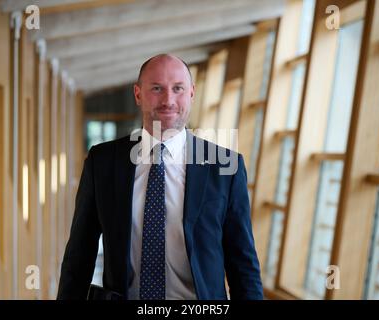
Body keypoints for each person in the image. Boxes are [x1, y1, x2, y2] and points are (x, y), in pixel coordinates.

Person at [57, 54, 263, 300]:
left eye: (178, 89)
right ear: (137, 94)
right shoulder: (102, 162)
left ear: (192, 93)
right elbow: (79, 255)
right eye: (157, 88)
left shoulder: (224, 166)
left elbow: (242, 262)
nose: (168, 100)